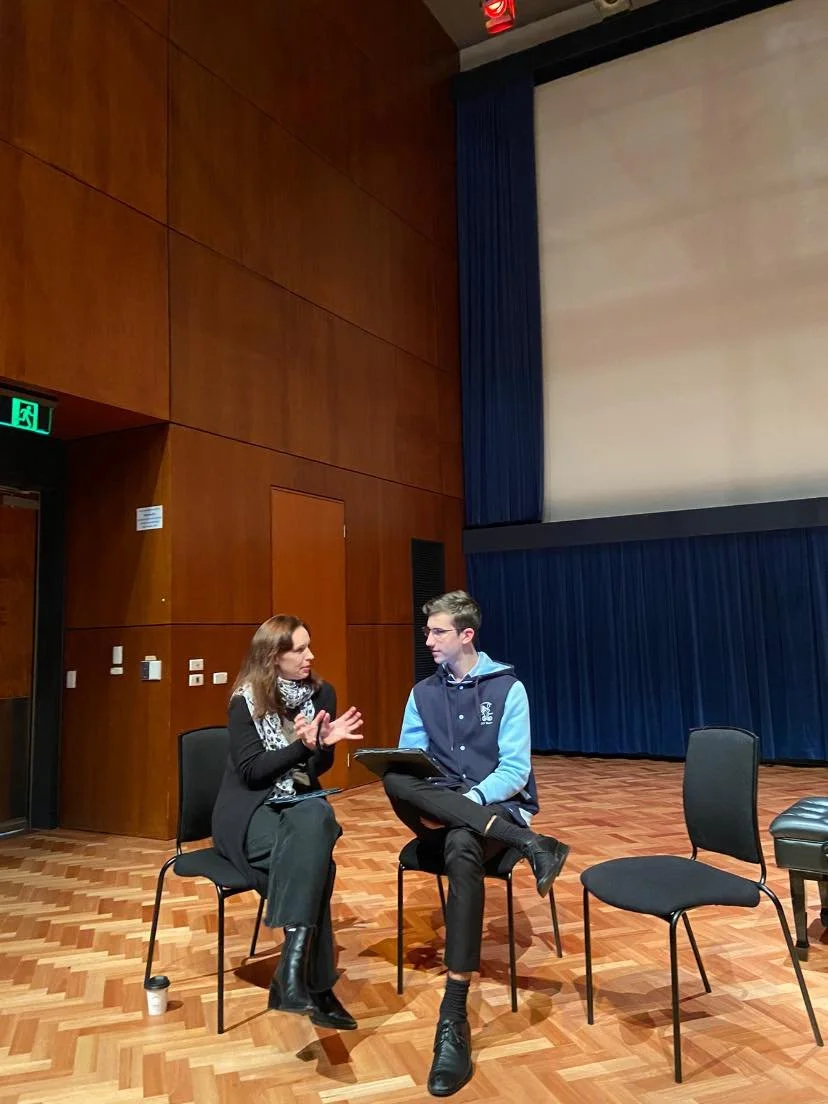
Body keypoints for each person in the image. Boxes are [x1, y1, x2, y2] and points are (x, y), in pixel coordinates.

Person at [383, 591, 570, 1097]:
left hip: (493, 808)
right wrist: (433, 793)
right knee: (392, 779)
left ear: (466, 635)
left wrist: (468, 801)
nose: (429, 641)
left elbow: (514, 771)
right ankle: (532, 846)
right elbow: (409, 759)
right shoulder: (421, 692)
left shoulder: (509, 689)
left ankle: (454, 1014)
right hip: (436, 805)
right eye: (427, 632)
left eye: (437, 632)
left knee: (464, 842)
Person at [212, 615, 363, 1030]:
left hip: (297, 808)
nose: (310, 656)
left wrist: (320, 747)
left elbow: (319, 767)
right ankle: (314, 984)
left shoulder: (321, 693)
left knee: (315, 813)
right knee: (318, 860)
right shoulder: (246, 699)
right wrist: (301, 746)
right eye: (299, 649)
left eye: (309, 646)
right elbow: (252, 773)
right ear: (273, 656)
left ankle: (292, 970)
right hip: (248, 812)